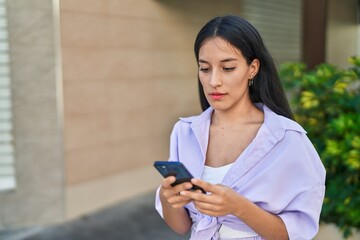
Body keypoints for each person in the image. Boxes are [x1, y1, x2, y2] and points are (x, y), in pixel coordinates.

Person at [155, 15, 326, 240]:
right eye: (205, 69)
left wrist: (238, 207)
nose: (214, 81)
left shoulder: (286, 138)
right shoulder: (184, 132)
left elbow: (296, 233)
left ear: (252, 68)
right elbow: (181, 226)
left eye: (227, 68)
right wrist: (169, 201)